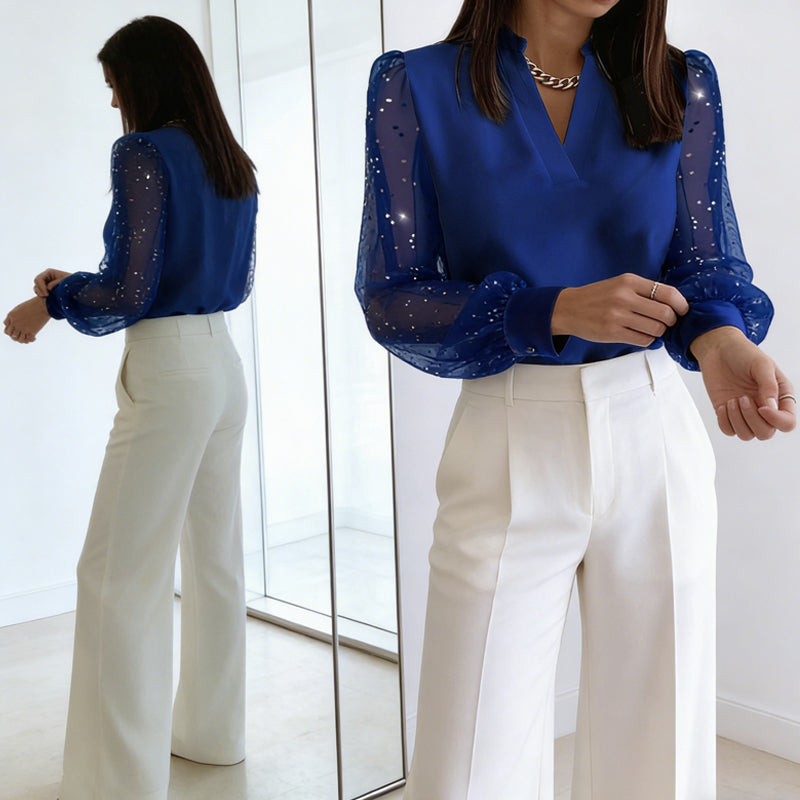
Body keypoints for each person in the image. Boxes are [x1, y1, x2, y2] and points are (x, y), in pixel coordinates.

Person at [355, 0, 795, 798]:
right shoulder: (414, 85)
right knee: (468, 764)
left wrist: (721, 339)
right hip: (508, 432)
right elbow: (394, 296)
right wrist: (549, 309)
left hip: (653, 426)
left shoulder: (679, 83)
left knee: (661, 752)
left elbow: (703, 266)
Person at [4, 16, 257, 800]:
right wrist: (77, 284)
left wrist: (52, 302)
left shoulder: (143, 152)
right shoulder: (231, 161)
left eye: (115, 82)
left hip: (171, 372)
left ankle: (116, 782)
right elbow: (197, 275)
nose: (113, 99)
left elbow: (129, 290)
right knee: (214, 562)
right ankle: (212, 735)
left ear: (145, 78)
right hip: (222, 364)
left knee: (117, 571)